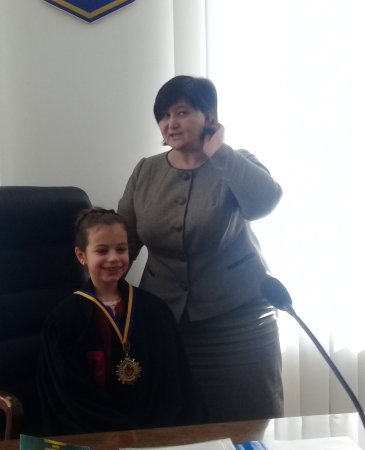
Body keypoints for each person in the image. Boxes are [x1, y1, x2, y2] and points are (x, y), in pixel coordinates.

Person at [117, 75, 284, 422]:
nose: (171, 123)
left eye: (182, 112)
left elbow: (264, 202)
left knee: (247, 423)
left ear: (208, 116)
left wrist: (219, 151)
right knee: (171, 422)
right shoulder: (146, 171)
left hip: (238, 321)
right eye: (164, 115)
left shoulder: (235, 162)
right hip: (165, 323)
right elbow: (125, 241)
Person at [37, 207, 205, 435]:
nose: (114, 258)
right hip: (97, 436)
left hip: (155, 434)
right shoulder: (64, 322)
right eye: (102, 250)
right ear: (81, 256)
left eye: (121, 249)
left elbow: (175, 384)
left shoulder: (155, 311)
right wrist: (123, 435)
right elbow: (69, 399)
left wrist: (153, 435)